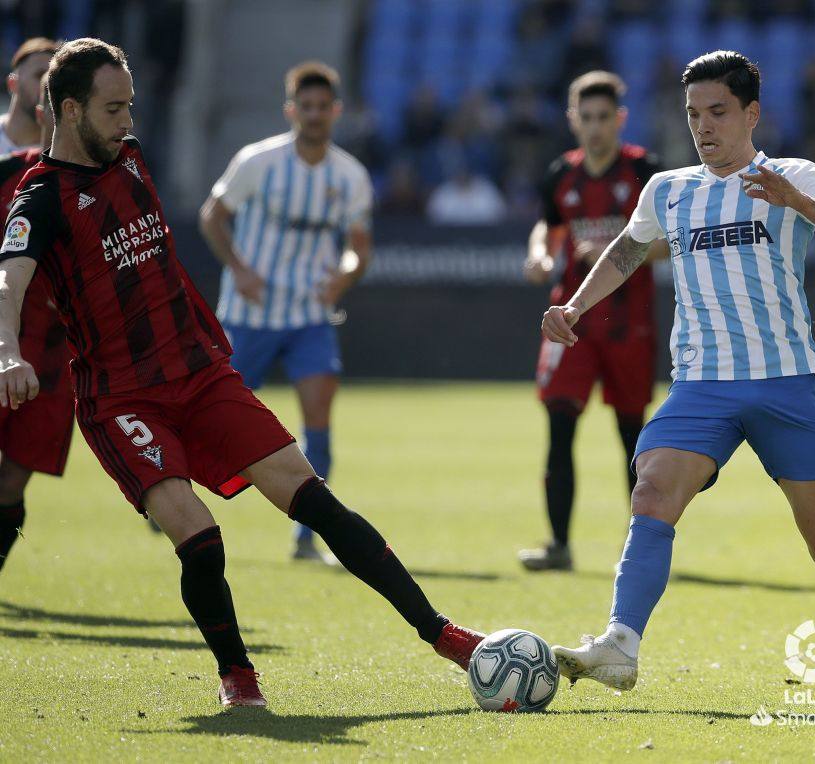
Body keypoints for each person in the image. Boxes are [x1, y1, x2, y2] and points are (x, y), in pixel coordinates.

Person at [0, 38, 483, 708]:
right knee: (200, 539)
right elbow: (9, 281)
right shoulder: (41, 198)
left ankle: (446, 637)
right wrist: (7, 351)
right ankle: (240, 679)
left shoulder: (132, 158)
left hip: (198, 374)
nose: (127, 122)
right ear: (71, 108)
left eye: (131, 106)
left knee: (314, 497)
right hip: (123, 399)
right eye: (113, 109)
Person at [544, 51, 815, 697]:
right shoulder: (669, 189)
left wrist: (795, 200)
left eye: (718, 113)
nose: (703, 127)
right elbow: (626, 249)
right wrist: (575, 306)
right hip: (701, 384)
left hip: (784, 384)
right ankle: (621, 643)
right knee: (650, 493)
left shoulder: (793, 174)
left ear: (752, 114)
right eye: (693, 114)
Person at [199, 61, 370, 562]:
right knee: (211, 418)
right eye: (306, 106)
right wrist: (240, 269)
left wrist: (345, 273)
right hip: (249, 315)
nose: (315, 116)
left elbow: (360, 247)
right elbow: (213, 216)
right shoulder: (259, 161)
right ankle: (176, 499)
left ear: (336, 111)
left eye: (324, 107)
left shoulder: (350, 176)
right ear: (291, 109)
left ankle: (307, 536)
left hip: (310, 316)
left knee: (318, 415)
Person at [518, 71, 665, 572]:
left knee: (632, 435)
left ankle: (640, 553)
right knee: (559, 426)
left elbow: (672, 244)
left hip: (629, 323)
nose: (596, 127)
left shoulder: (647, 172)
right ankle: (558, 545)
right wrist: (540, 253)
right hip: (572, 322)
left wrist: (623, 251)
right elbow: (548, 223)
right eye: (587, 117)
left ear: (620, 119)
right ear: (572, 119)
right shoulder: (562, 173)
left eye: (605, 117)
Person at [0, 74, 73, 574]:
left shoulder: (119, 183)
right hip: (6, 338)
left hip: (56, 359)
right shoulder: (9, 175)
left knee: (13, 482)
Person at [0, 38, 57, 154]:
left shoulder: (60, 156)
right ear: (13, 84)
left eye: (53, 78)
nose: (47, 84)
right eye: (40, 75)